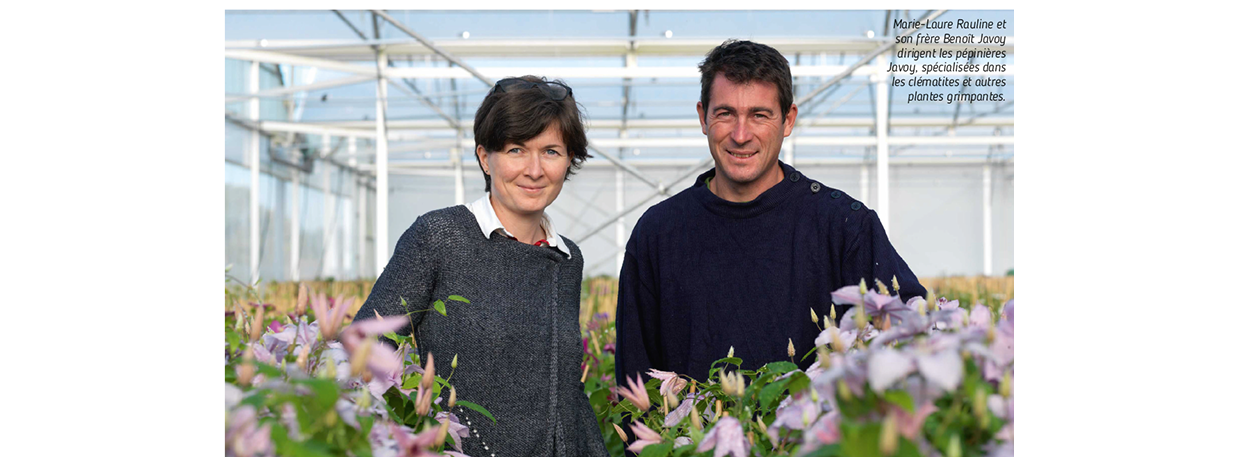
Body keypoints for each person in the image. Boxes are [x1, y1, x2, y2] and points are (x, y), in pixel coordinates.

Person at [615, 40, 927, 386]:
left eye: (759, 115)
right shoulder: (659, 234)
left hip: (816, 439)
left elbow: (912, 332)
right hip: (688, 439)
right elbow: (635, 378)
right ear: (703, 117)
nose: (741, 134)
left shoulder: (845, 226)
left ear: (788, 119)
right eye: (725, 113)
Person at [354, 75, 607, 457]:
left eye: (551, 151)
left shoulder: (567, 257)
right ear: (485, 157)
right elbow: (365, 346)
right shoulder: (441, 236)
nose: (535, 170)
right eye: (516, 150)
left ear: (569, 160)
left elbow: (564, 391)